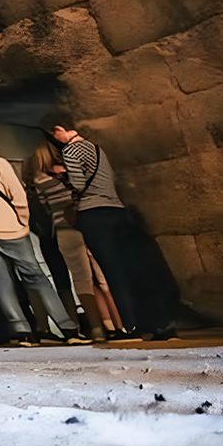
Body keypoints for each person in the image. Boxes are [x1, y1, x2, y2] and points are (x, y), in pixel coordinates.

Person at [48, 120, 179, 339]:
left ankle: (129, 327)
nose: (55, 138)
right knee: (130, 268)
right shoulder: (95, 148)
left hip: (94, 213)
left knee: (113, 273)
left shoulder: (70, 150)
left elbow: (80, 185)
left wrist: (62, 175)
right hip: (117, 210)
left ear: (60, 129)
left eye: (54, 133)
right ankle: (153, 323)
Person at [0, 127, 86, 345]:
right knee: (36, 277)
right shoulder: (0, 163)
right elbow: (18, 194)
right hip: (12, 229)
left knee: (1, 282)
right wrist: (22, 221)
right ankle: (68, 328)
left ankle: (23, 331)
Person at [24, 142, 123, 339]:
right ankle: (118, 326)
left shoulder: (39, 182)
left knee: (82, 282)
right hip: (86, 226)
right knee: (103, 279)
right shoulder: (69, 176)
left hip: (64, 232)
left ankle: (96, 330)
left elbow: (47, 208)